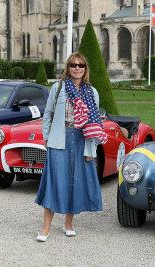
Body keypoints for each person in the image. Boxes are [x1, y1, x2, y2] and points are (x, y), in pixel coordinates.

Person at [35, 52, 106, 241]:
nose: (77, 68)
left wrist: (91, 149)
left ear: (85, 69)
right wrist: (47, 139)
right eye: (73, 65)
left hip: (82, 139)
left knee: (75, 183)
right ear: (68, 67)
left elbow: (94, 124)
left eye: (81, 65)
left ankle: (68, 224)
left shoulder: (92, 92)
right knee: (54, 182)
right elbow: (47, 114)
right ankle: (45, 229)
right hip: (60, 138)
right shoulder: (58, 88)